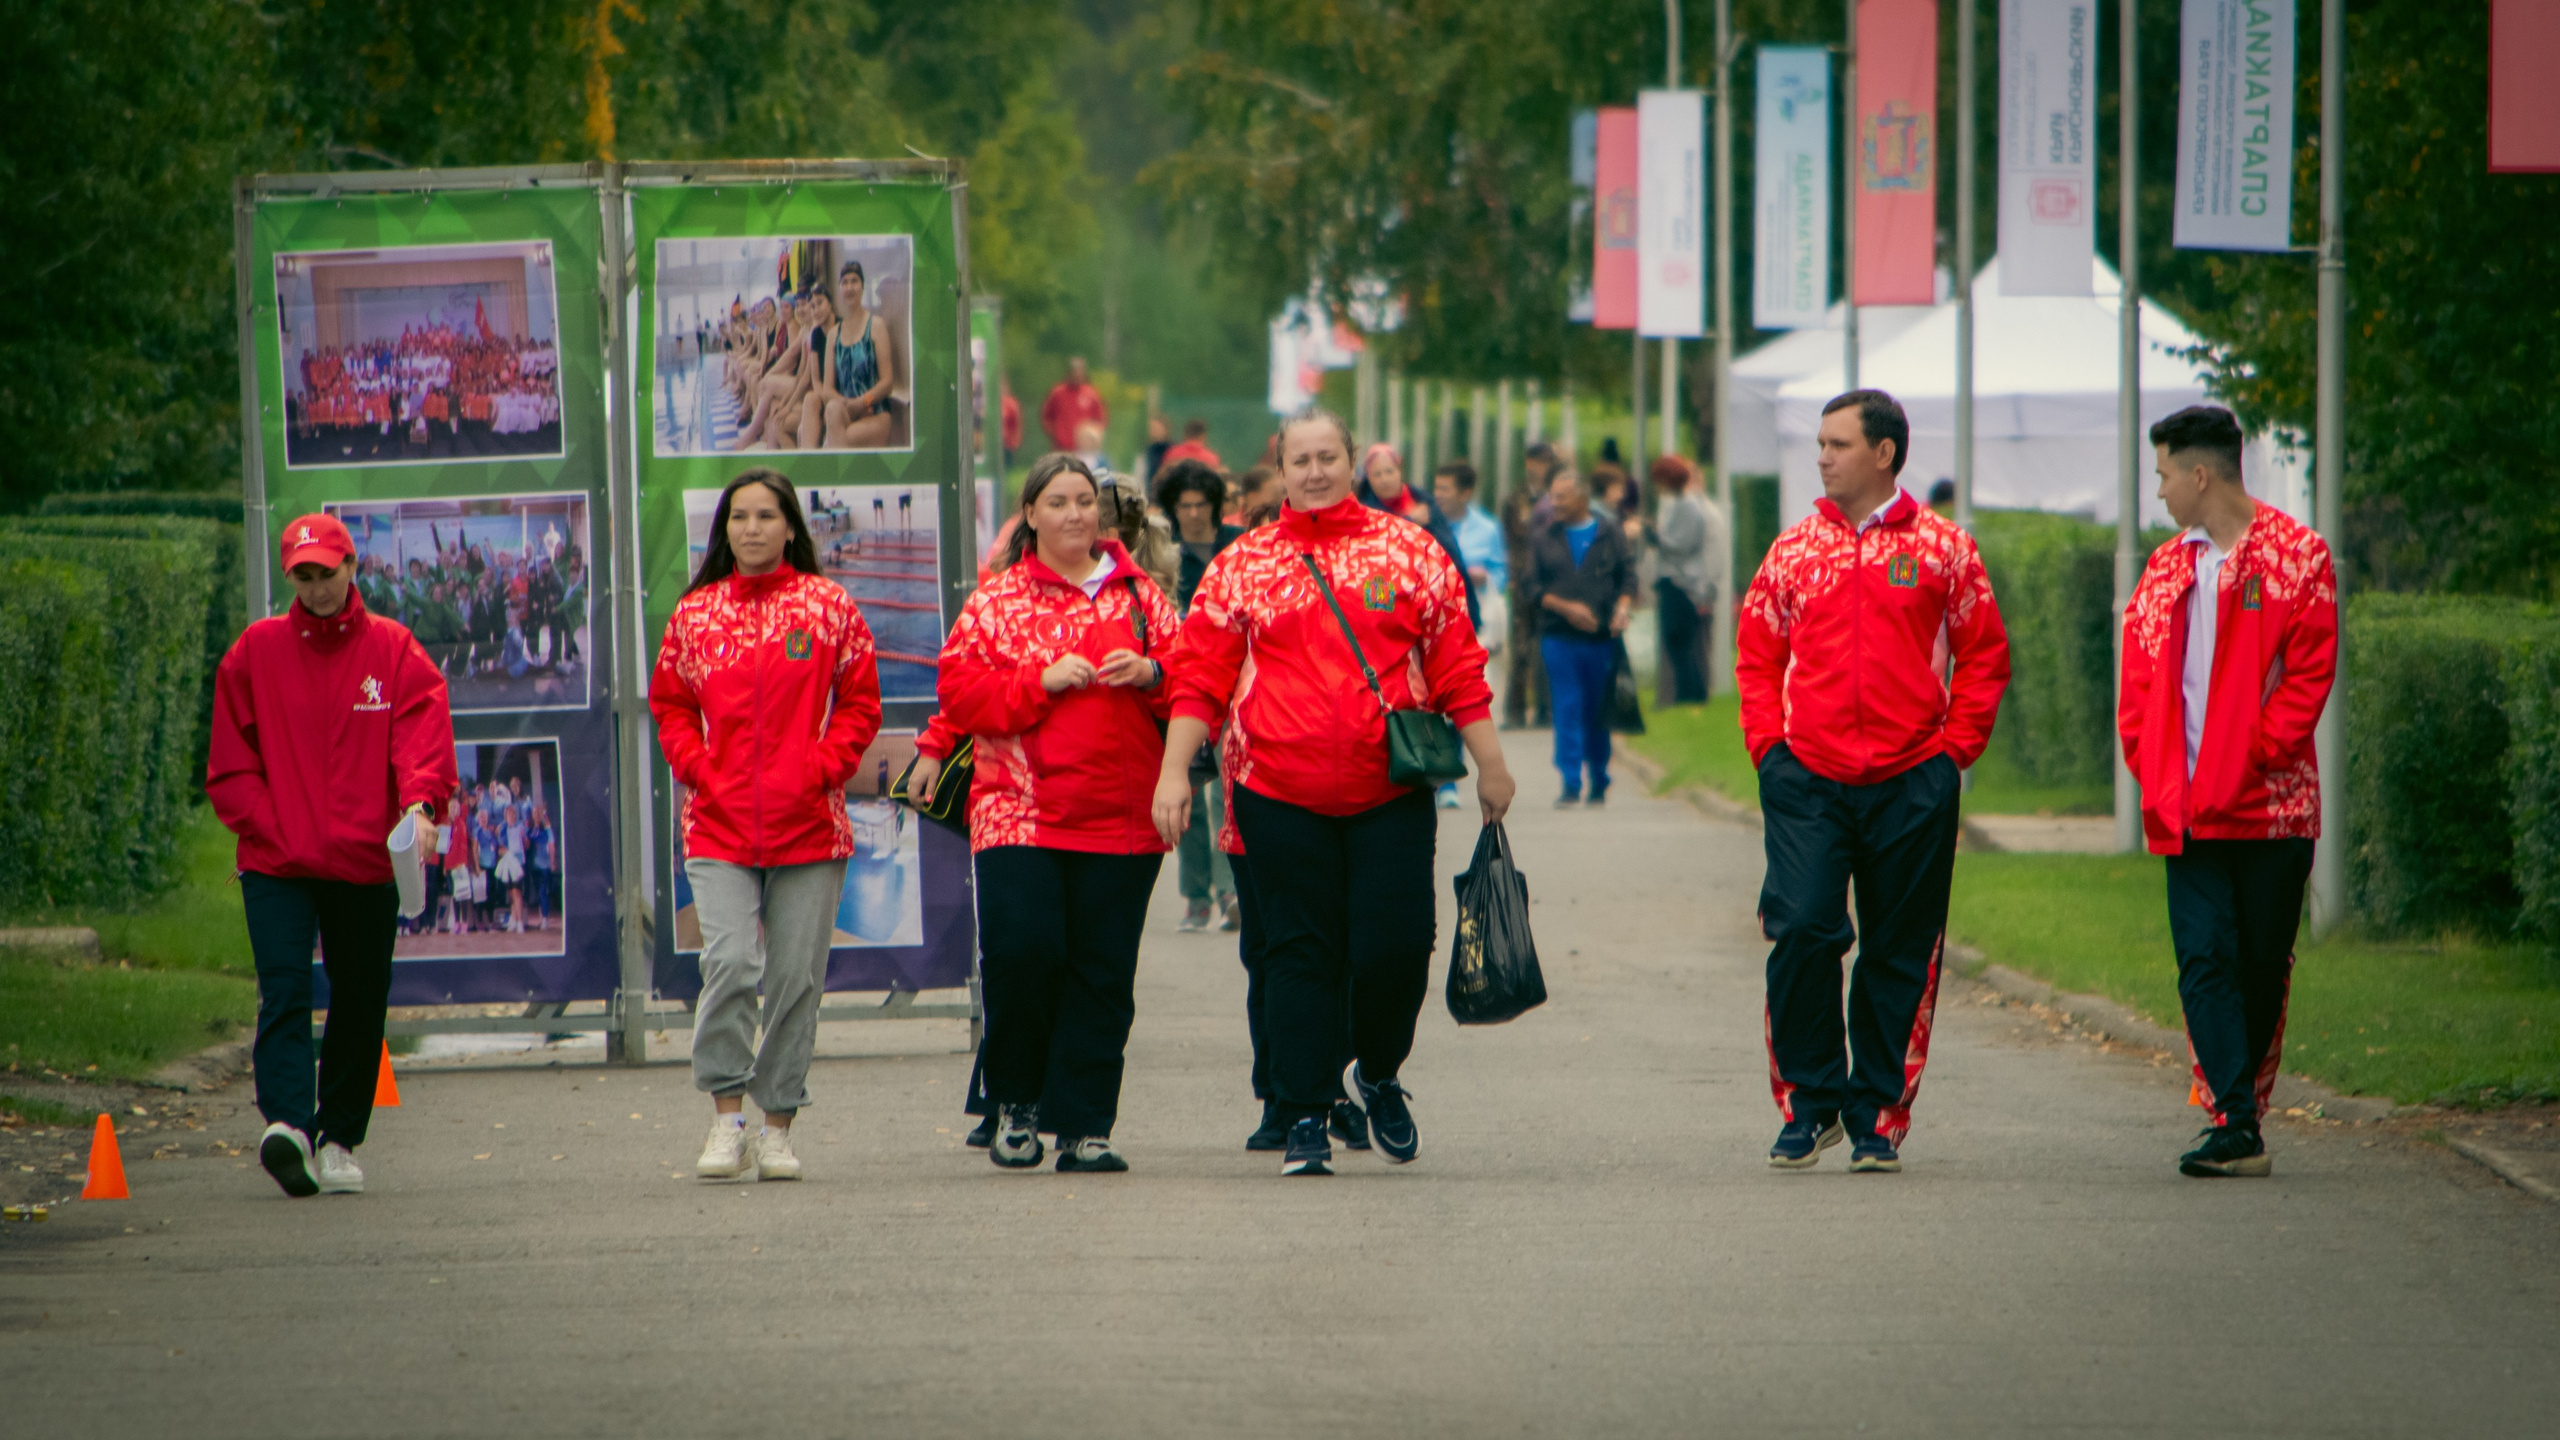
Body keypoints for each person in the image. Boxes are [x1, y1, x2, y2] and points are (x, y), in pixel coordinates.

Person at [1155, 406, 1516, 1177]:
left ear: (1351, 461)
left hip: (1388, 790)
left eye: (1328, 456)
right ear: (1279, 471)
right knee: (1298, 953)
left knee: (1398, 947)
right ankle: (1306, 1111)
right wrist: (1172, 774)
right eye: (1299, 460)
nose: (1314, 471)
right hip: (1276, 789)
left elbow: (1456, 665)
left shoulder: (1410, 551)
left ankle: (1376, 1073)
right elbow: (1200, 678)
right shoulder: (1244, 563)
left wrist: (1491, 763)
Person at [1738, 390, 2011, 1175]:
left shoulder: (1942, 548)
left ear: (1884, 453)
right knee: (1802, 928)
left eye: (1838, 443)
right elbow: (1757, 656)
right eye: (1820, 442)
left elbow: (1984, 655)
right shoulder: (1793, 551)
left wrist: (1952, 752)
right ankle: (1809, 1102)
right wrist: (1769, 750)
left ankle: (1876, 1115)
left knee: (1899, 951)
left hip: (1911, 781)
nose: (1821, 456)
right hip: (1808, 780)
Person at [908, 453, 1180, 1174]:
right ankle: (1016, 1104)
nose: (1074, 515)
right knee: (1023, 957)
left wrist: (1151, 673)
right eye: (1057, 502)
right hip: (1019, 812)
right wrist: (1041, 681)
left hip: (1123, 816)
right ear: (1029, 515)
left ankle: (1085, 1124)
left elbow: (1193, 682)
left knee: (1102, 972)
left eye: (1085, 501)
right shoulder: (996, 600)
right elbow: (962, 694)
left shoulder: (1140, 597)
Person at [207, 513, 457, 1197]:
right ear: (290, 577)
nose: (318, 587)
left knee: (359, 996)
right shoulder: (253, 652)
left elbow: (421, 740)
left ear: (353, 568)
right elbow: (231, 766)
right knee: (284, 989)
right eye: (304, 576)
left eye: (329, 572)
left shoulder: (395, 649)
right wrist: (273, 828)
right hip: (276, 862)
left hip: (366, 860)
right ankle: (288, 1124)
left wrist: (418, 806)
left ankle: (339, 1137)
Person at [2119, 404, 2337, 1180]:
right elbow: (2139, 680)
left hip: (2273, 810)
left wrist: (2254, 758)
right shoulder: (2165, 567)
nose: (2162, 492)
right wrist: (2152, 764)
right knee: (2203, 958)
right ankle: (2233, 1121)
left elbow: (2308, 675)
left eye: (2165, 475)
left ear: (2200, 473)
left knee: (2259, 963)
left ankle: (2241, 1107)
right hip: (2187, 810)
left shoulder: (2296, 558)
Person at [651, 468, 883, 1184]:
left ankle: (777, 1125)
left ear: (790, 527)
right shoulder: (696, 614)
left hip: (810, 825)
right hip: (718, 826)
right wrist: (697, 764)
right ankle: (728, 1122)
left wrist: (824, 766)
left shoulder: (828, 607)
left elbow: (861, 704)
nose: (751, 529)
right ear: (724, 530)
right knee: (729, 965)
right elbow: (671, 704)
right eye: (739, 517)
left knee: (792, 979)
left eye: (765, 516)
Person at [1358, 442, 1480, 811]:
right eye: (1376, 474)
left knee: (1447, 691)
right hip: (1390, 616)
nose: (1383, 480)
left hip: (1436, 612)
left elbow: (1448, 555)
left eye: (1389, 472)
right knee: (1407, 697)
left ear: (1401, 471)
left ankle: (1446, 773)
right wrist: (1412, 523)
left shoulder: (1428, 503)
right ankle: (1401, 764)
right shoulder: (1364, 511)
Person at [1156, 459, 1246, 932]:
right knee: (1187, 789)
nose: (1192, 513)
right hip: (1189, 686)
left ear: (1215, 505)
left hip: (1238, 686)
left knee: (1226, 795)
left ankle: (1230, 890)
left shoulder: (1238, 546)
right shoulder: (1166, 553)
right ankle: (1195, 897)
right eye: (1183, 505)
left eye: (1200, 504)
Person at [1524, 468, 1638, 806]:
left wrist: (1622, 609)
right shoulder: (1543, 537)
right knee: (1567, 706)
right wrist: (1565, 607)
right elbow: (1531, 587)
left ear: (1582, 499)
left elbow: (1627, 578)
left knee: (1597, 710)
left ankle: (1600, 777)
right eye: (1552, 496)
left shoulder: (1610, 533)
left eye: (1562, 497)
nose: (1554, 503)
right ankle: (1571, 781)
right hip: (1558, 638)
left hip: (1601, 639)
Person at [1644, 455, 1725, 706]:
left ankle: (1692, 694)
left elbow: (1683, 543)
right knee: (1677, 641)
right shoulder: (1680, 505)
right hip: (1678, 580)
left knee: (1681, 640)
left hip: (1682, 582)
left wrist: (1657, 539)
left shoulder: (1688, 507)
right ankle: (1685, 694)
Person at [1501, 442, 1560, 728]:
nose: (1540, 467)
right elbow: (1511, 541)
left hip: (1551, 579)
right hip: (1524, 578)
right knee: (1521, 647)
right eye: (1536, 461)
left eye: (1546, 462)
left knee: (1546, 647)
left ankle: (1545, 711)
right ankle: (1515, 710)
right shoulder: (1516, 499)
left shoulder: (1559, 497)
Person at [1041, 357, 1108, 453]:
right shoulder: (1058, 393)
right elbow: (1046, 416)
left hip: (1085, 448)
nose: (1077, 375)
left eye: (1080, 371)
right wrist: (1056, 434)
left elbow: (1101, 419)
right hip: (1062, 447)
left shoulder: (1091, 393)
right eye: (1074, 371)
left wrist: (1094, 437)